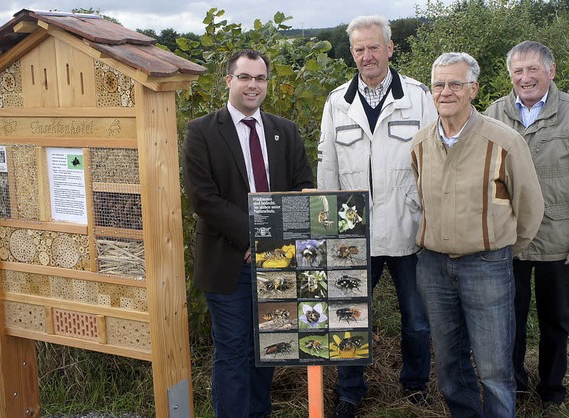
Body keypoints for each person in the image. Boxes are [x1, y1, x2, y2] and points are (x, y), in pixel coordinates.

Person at [410, 52, 544, 418]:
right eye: (439, 84)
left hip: (487, 266)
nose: (446, 92)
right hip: (433, 267)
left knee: (494, 369)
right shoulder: (420, 144)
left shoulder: (504, 141)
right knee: (450, 366)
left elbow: (530, 208)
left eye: (456, 84)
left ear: (474, 89)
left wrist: (498, 250)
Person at [182, 49, 314, 418]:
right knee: (234, 350)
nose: (252, 85)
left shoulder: (284, 131)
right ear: (229, 80)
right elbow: (203, 199)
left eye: (260, 78)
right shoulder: (202, 132)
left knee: (269, 347)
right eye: (245, 77)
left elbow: (304, 186)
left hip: (279, 263)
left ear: (267, 84)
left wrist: (272, 243)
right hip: (228, 263)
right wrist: (255, 238)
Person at [317, 15, 436, 418]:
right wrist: (328, 226)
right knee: (348, 315)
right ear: (351, 53)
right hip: (354, 233)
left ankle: (416, 386)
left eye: (373, 47)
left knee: (417, 320)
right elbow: (327, 167)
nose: (367, 56)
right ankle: (350, 392)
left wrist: (430, 220)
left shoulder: (418, 96)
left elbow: (435, 163)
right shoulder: (337, 102)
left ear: (389, 48)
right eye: (359, 49)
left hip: (409, 228)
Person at [484, 41, 569, 417]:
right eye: (518, 71)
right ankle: (515, 385)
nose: (525, 77)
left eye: (533, 69)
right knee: (509, 319)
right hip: (510, 237)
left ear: (551, 71)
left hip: (558, 237)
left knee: (557, 320)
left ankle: (552, 389)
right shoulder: (494, 113)